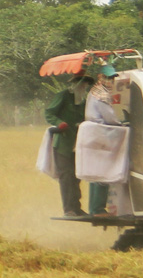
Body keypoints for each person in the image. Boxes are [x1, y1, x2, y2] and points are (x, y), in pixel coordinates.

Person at [85, 64, 132, 215]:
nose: (110, 80)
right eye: (107, 77)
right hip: (101, 132)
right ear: (100, 77)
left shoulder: (94, 92)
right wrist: (122, 124)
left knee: (96, 172)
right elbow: (109, 117)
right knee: (102, 172)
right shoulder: (102, 95)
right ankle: (97, 209)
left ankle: (94, 208)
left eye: (112, 78)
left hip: (95, 133)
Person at [44, 73, 88, 216]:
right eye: (81, 84)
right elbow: (49, 113)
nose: (83, 86)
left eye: (85, 84)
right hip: (63, 143)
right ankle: (68, 209)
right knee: (66, 176)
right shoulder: (63, 96)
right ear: (74, 84)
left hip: (78, 143)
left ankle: (77, 208)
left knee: (76, 176)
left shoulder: (83, 101)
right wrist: (59, 123)